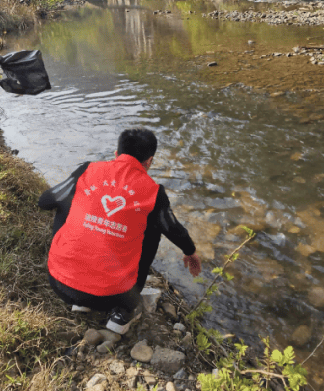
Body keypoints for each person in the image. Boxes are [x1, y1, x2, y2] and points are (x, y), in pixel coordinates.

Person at [41, 128, 203, 335]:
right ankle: (124, 311)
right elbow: (172, 228)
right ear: (149, 161)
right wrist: (190, 251)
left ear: (116, 154)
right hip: (112, 296)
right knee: (154, 226)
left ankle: (80, 295)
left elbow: (45, 201)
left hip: (59, 284)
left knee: (66, 202)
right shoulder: (154, 192)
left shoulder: (87, 169)